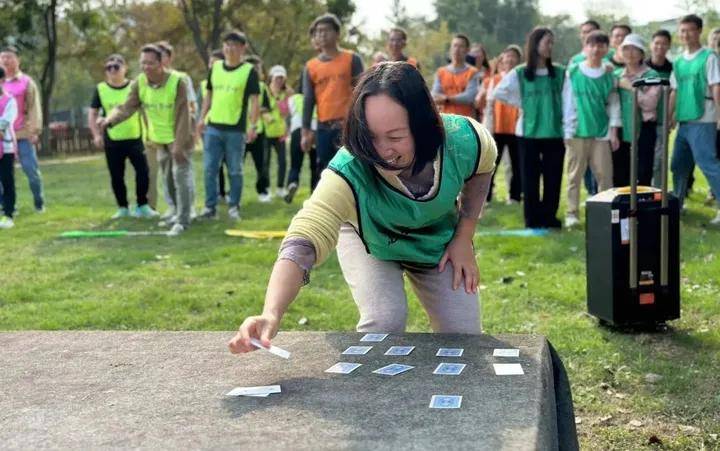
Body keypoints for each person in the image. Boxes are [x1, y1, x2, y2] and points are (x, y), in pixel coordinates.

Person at [227, 62, 498, 353]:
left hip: (437, 239)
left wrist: (463, 237)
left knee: (464, 337)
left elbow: (483, 166)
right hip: (368, 238)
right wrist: (271, 313)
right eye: (370, 137)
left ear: (424, 127)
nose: (381, 151)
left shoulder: (465, 139)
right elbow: (304, 238)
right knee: (384, 323)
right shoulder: (349, 168)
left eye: (395, 137)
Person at [98, 44, 194, 236]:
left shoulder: (178, 83)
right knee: (168, 180)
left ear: (161, 63)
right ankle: (176, 212)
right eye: (143, 63)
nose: (146, 67)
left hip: (179, 138)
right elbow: (127, 107)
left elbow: (185, 116)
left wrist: (178, 145)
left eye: (150, 63)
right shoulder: (140, 83)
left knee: (181, 177)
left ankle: (183, 221)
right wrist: (110, 121)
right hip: (160, 139)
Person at [495, 27, 566, 229]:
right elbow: (499, 92)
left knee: (553, 178)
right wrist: (522, 102)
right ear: (535, 44)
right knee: (530, 178)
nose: (550, 46)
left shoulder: (560, 73)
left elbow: (568, 103)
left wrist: (568, 129)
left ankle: (549, 217)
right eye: (547, 42)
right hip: (527, 133)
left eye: (552, 43)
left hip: (554, 132)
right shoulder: (520, 72)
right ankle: (533, 219)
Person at [197, 31, 260, 220]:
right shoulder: (215, 68)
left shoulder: (249, 71)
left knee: (235, 170)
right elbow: (209, 95)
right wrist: (201, 118)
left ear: (242, 48)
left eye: (233, 44)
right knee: (209, 168)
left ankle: (234, 206)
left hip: (236, 129)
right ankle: (210, 207)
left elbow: (255, 101)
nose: (229, 48)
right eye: (226, 44)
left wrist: (253, 125)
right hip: (213, 127)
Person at [562, 30, 621, 228]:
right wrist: (567, 130)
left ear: (606, 49)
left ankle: (605, 212)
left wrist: (613, 131)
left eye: (601, 45)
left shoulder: (609, 74)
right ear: (585, 48)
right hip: (577, 132)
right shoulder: (573, 72)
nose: (596, 49)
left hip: (601, 132)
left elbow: (614, 104)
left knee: (605, 175)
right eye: (592, 45)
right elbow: (568, 102)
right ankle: (572, 213)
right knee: (574, 175)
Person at [88, 54, 156, 219]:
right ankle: (123, 208)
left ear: (125, 68)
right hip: (113, 139)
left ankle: (142, 205)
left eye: (116, 67)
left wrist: (150, 132)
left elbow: (145, 110)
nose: (113, 70)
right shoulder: (101, 89)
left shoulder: (134, 86)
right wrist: (96, 135)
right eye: (109, 68)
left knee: (143, 172)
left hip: (135, 137)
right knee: (116, 176)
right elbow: (93, 113)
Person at [669, 14, 720, 225]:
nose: (686, 34)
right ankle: (677, 205)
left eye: (690, 30)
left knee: (708, 164)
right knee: (678, 165)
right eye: (682, 30)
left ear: (699, 31)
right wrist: (669, 116)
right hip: (684, 121)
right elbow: (674, 90)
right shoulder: (678, 61)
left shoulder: (709, 56)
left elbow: (716, 86)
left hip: (704, 119)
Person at [302, 13, 364, 177]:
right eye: (318, 31)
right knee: (326, 171)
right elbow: (308, 100)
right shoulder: (310, 66)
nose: (322, 34)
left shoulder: (352, 59)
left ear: (337, 33)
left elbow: (362, 93)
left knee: (353, 169)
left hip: (348, 126)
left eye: (326, 30)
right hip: (323, 128)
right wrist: (305, 131)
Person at [0, 46, 44, 213]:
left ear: (18, 60)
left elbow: (34, 107)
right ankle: (9, 206)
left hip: (23, 133)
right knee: (4, 174)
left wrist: (35, 130)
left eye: (9, 57)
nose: (6, 60)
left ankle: (39, 202)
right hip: (3, 137)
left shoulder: (26, 82)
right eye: (3, 57)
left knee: (31, 170)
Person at [613, 34, 661, 187]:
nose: (630, 53)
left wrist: (631, 88)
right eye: (626, 49)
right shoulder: (616, 75)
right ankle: (623, 203)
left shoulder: (651, 75)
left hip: (644, 128)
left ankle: (642, 202)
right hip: (620, 129)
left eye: (635, 49)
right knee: (620, 173)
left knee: (643, 172)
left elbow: (650, 104)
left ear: (642, 54)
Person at [476, 45, 522, 204]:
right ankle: (487, 196)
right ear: (503, 59)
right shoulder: (494, 79)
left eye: (514, 56)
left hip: (516, 128)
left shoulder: (520, 77)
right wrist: (488, 127)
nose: (510, 59)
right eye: (508, 56)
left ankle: (515, 196)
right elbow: (489, 103)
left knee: (516, 165)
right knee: (491, 164)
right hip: (498, 127)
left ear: (518, 60)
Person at [198, 49, 229, 203]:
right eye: (210, 62)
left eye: (215, 62)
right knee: (213, 164)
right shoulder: (204, 85)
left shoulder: (228, 81)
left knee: (229, 164)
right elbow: (200, 104)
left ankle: (228, 194)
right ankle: (217, 194)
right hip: (209, 128)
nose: (212, 65)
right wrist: (200, 122)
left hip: (228, 127)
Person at [646, 29, 674, 188]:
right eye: (657, 43)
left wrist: (672, 116)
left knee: (659, 161)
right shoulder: (643, 67)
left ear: (669, 46)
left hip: (662, 121)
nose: (660, 47)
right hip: (643, 122)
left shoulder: (672, 69)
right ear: (651, 45)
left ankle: (657, 192)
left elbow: (676, 93)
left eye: (664, 44)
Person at [244, 55, 273, 203]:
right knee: (236, 166)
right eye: (253, 68)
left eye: (258, 68)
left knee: (262, 164)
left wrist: (256, 110)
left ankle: (263, 191)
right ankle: (233, 193)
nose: (256, 71)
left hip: (258, 131)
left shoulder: (262, 87)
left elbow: (267, 107)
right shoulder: (240, 83)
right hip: (240, 131)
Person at [284, 79, 318, 203]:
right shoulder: (317, 98)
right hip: (315, 131)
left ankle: (292, 183)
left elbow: (288, 113)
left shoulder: (293, 99)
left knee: (295, 164)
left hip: (297, 131)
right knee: (315, 166)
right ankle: (315, 192)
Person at [432, 34, 481, 118]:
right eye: (455, 46)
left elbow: (469, 97)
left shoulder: (472, 72)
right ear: (450, 49)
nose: (457, 49)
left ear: (467, 50)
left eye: (461, 46)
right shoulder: (441, 72)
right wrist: (452, 99)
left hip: (465, 120)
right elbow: (434, 95)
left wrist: (446, 99)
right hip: (445, 119)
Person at [264, 65, 293, 198]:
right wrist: (267, 117)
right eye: (277, 77)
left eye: (281, 78)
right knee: (265, 162)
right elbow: (259, 108)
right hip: (266, 132)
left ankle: (280, 188)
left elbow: (288, 113)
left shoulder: (286, 93)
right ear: (272, 77)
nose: (279, 80)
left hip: (280, 133)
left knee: (283, 162)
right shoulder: (265, 91)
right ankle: (266, 189)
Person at [0, 66, 18, 229]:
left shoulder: (9, 101)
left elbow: (5, 122)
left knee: (7, 181)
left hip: (5, 149)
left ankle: (8, 214)